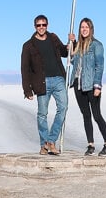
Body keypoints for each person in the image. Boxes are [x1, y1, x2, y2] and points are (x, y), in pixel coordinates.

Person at [21, 14, 70, 155]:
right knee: (42, 114)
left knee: (63, 108)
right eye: (39, 25)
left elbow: (64, 52)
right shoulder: (28, 46)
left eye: (44, 25)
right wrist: (27, 90)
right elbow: (25, 69)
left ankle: (51, 141)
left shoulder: (53, 38)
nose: (41, 27)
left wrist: (70, 43)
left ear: (47, 25)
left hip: (59, 79)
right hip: (42, 83)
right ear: (34, 26)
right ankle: (44, 144)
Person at [69, 17, 106, 156]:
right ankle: (91, 145)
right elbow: (71, 60)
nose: (84, 29)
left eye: (86, 27)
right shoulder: (78, 46)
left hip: (91, 85)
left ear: (91, 29)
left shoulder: (96, 45)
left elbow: (99, 66)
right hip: (78, 84)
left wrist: (97, 86)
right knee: (86, 115)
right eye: (82, 27)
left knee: (96, 115)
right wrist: (71, 43)